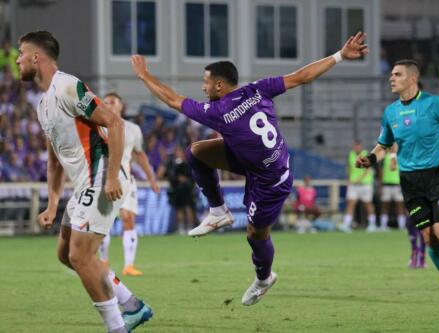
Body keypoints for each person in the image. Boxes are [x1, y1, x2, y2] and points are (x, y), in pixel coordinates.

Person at [131, 32, 368, 306]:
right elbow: (301, 76)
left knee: (256, 235)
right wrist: (338, 55)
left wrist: (144, 76)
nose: (203, 87)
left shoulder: (216, 111)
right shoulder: (258, 88)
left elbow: (173, 100)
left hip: (272, 181)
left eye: (205, 83)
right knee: (195, 152)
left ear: (220, 86)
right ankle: (218, 211)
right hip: (254, 161)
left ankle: (264, 278)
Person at [17, 31, 153, 332]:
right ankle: (132, 305)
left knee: (81, 254)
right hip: (84, 183)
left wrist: (112, 175)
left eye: (21, 54)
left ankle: (116, 327)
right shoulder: (43, 104)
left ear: (36, 57)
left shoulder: (68, 86)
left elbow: (114, 122)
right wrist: (53, 204)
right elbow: (54, 161)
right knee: (66, 254)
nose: (17, 60)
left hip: (102, 174)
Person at [356, 59, 439, 304]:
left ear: (412, 78)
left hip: (436, 176)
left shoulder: (435, 104)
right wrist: (371, 158)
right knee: (428, 239)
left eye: (397, 74)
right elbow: (384, 145)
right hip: (410, 181)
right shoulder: (390, 112)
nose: (391, 78)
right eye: (391, 74)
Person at [99, 92, 160, 276]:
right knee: (102, 223)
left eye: (112, 102)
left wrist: (151, 179)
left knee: (128, 218)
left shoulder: (132, 129)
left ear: (121, 105)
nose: (109, 105)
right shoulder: (97, 127)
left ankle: (129, 265)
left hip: (125, 180)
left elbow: (139, 155)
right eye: (106, 102)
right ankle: (103, 261)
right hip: (102, 179)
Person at [379, 144, 426, 268]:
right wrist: (394, 156)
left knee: (424, 225)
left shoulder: (423, 157)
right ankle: (414, 252)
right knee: (411, 220)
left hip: (424, 192)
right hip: (409, 191)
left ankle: (422, 256)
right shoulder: (402, 156)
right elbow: (392, 167)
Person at [157, 145, 196, 234]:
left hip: (187, 189)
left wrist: (186, 181)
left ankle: (190, 228)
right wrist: (176, 178)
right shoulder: (172, 164)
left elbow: (192, 177)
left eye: (179, 151)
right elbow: (168, 176)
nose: (177, 153)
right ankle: (181, 228)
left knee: (188, 207)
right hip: (177, 189)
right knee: (179, 209)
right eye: (176, 152)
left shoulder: (188, 163)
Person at [339, 140, 377, 232]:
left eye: (358, 146)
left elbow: (367, 170)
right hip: (353, 184)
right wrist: (349, 180)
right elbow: (349, 169)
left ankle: (372, 224)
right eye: (355, 147)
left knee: (367, 204)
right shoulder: (350, 155)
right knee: (351, 203)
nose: (356, 148)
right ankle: (346, 224)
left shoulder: (366, 154)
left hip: (365, 184)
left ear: (361, 147)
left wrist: (358, 180)